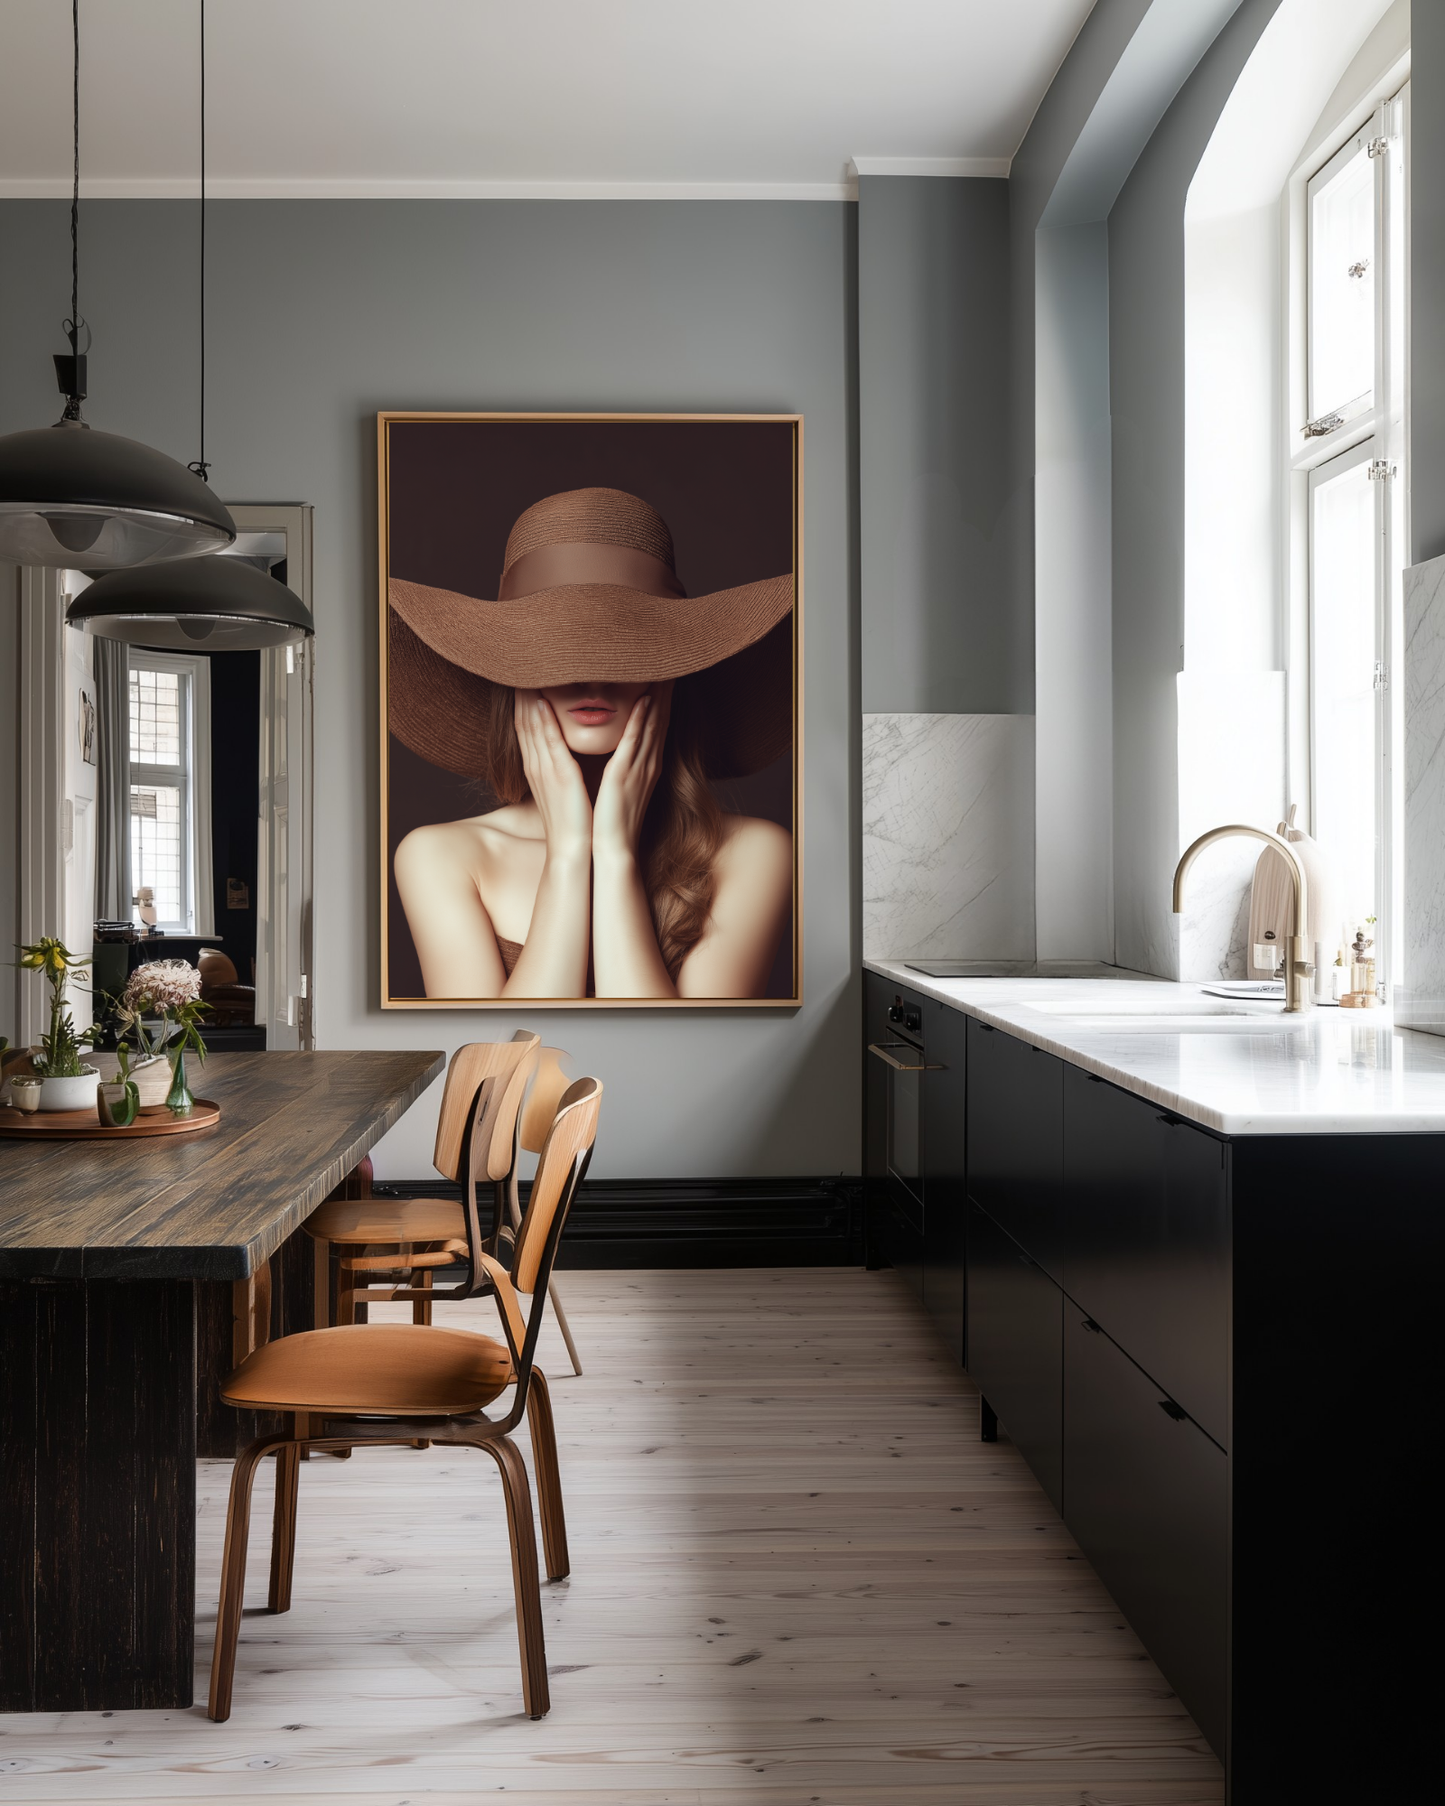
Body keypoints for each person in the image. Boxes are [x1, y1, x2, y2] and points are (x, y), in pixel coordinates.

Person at [387, 487, 795, 1000]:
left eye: (625, 648)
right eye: (558, 649)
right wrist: (570, 854)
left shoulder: (753, 853)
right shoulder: (440, 856)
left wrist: (616, 854)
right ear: (511, 675)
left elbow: (678, 1061)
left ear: (672, 674)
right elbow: (501, 1071)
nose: (591, 677)